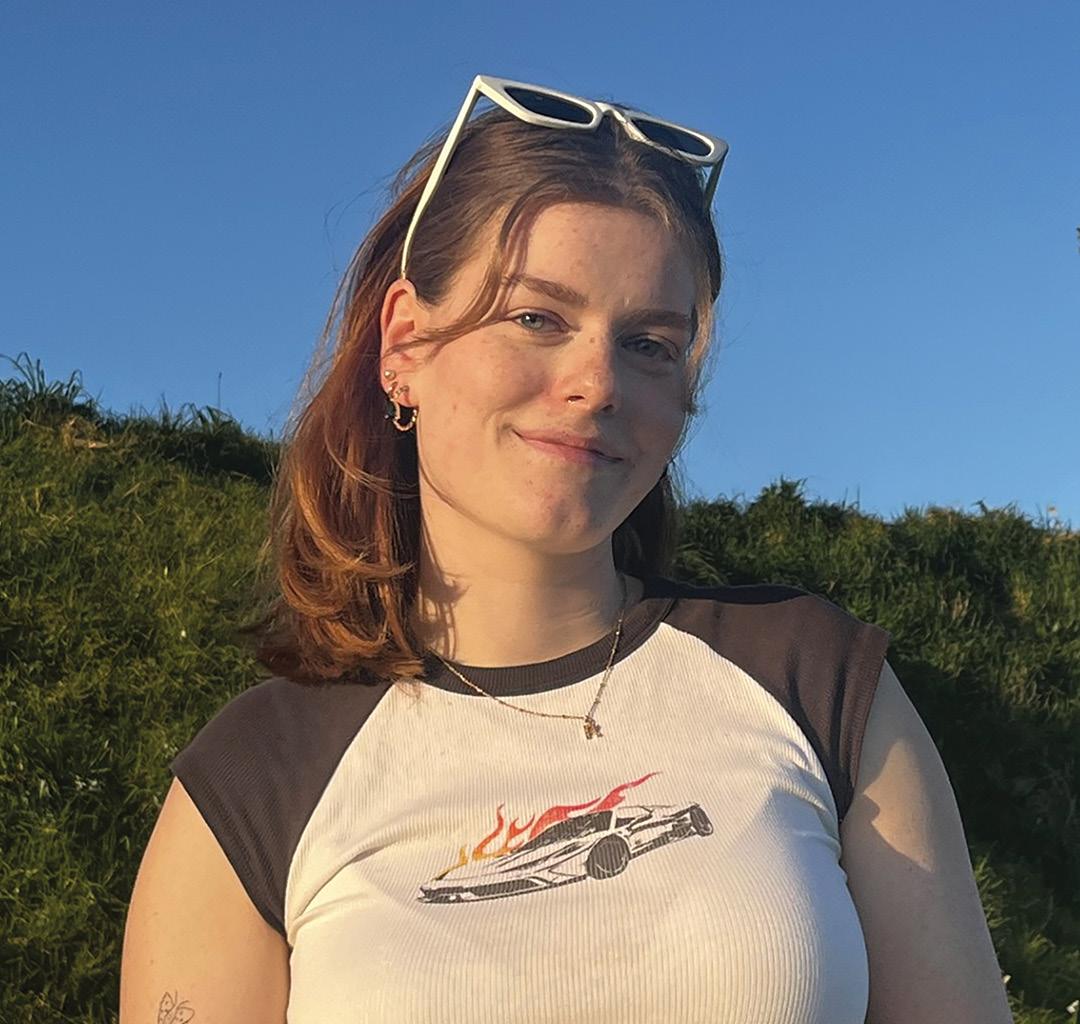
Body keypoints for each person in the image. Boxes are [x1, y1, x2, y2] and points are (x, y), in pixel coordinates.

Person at [120, 74, 1014, 1024]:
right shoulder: (258, 775)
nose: (597, 383)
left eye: (650, 344)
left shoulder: (819, 681)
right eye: (537, 318)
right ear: (405, 345)